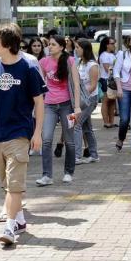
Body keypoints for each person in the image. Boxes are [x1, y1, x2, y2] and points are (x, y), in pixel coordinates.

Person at [0, 23, 46, 245]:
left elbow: (39, 102)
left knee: (14, 184)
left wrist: (37, 133)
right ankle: (21, 220)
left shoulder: (29, 67)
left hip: (20, 133)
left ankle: (10, 227)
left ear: (8, 43)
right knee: (6, 183)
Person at [36, 35, 82, 186]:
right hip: (49, 105)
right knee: (47, 139)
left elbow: (76, 84)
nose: (50, 47)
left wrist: (76, 107)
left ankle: (69, 172)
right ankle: (47, 175)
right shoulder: (43, 61)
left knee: (69, 140)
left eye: (54, 44)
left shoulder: (70, 61)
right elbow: (40, 84)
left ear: (62, 47)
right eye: (49, 44)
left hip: (67, 105)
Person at [113, 33, 131, 154]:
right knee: (124, 119)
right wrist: (119, 88)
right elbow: (116, 71)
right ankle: (121, 138)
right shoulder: (122, 54)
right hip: (124, 88)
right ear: (129, 42)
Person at [74, 39, 99, 164]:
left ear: (85, 49)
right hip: (80, 99)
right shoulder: (78, 63)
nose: (76, 49)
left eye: (78, 47)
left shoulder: (92, 65)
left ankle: (76, 156)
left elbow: (93, 86)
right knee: (87, 127)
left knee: (75, 124)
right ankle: (94, 154)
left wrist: (79, 98)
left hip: (89, 100)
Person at [97, 36, 117, 128]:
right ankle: (106, 122)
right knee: (106, 100)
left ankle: (111, 121)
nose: (114, 45)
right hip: (106, 79)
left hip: (112, 80)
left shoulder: (112, 55)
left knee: (112, 100)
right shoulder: (104, 55)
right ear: (107, 45)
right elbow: (107, 69)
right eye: (112, 43)